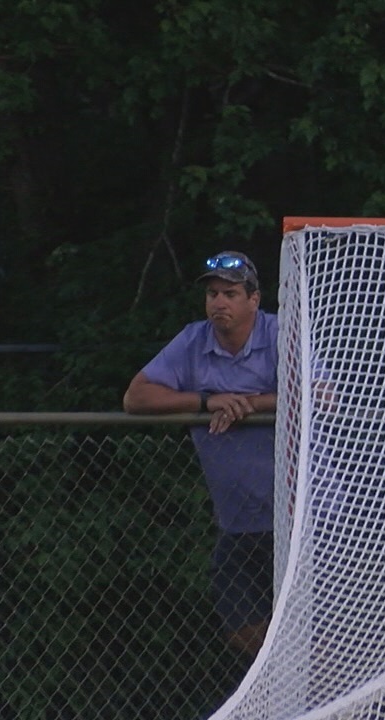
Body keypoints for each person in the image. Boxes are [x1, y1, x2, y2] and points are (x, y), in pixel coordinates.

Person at [122, 250, 279, 658]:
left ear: (254, 300)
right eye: (212, 294)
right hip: (238, 520)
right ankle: (287, 678)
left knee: (313, 628)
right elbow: (135, 397)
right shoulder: (193, 339)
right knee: (241, 625)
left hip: (298, 517)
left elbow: (323, 396)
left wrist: (250, 405)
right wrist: (208, 400)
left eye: (229, 293)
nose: (219, 303)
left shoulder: (283, 333)